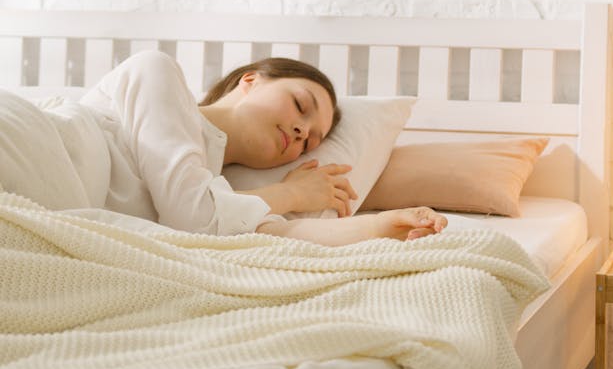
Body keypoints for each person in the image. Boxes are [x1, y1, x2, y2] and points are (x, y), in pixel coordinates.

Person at [78, 49, 446, 246]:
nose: (302, 132)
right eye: (301, 106)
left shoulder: (217, 192)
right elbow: (193, 218)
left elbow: (286, 238)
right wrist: (291, 193)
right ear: (250, 81)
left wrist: (384, 226)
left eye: (310, 143)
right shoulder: (157, 72)